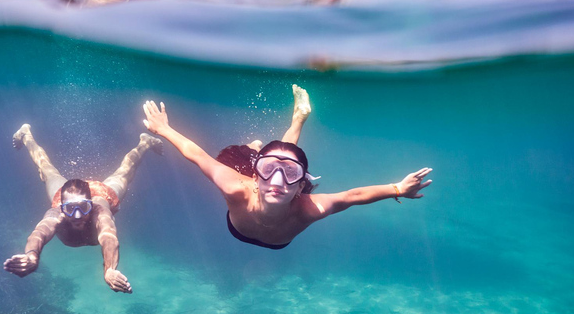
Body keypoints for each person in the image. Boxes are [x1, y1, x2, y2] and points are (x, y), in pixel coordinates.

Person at [142, 85, 432, 250]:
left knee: (281, 154)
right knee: (237, 154)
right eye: (268, 171)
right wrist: (164, 129)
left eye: (291, 175)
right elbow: (197, 154)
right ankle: (269, 142)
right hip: (248, 177)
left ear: (300, 186)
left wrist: (398, 189)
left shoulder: (309, 207)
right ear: (256, 178)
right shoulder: (235, 186)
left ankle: (287, 130)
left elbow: (352, 196)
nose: (277, 180)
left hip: (265, 226)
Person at [3, 124, 162, 292]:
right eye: (71, 209)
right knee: (46, 170)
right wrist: (32, 255)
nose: (77, 215)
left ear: (90, 205)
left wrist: (109, 270)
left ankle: (145, 142)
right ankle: (26, 134)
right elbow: (39, 233)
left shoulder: (100, 211)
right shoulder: (57, 213)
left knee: (125, 172)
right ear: (62, 207)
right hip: (68, 194)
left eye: (83, 208)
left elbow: (110, 238)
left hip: (101, 193)